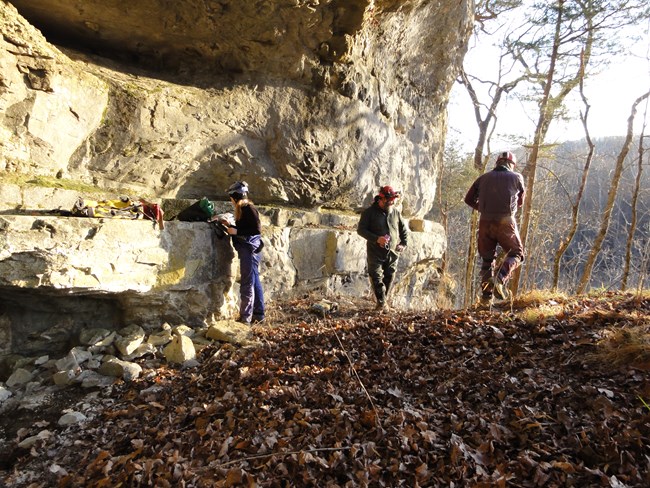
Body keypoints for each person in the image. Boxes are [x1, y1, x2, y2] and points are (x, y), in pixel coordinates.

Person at [464, 151, 526, 302]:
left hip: (485, 222)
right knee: (517, 254)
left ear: (497, 163)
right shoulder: (517, 177)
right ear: (511, 165)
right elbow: (521, 201)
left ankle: (486, 299)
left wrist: (483, 209)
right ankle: (500, 278)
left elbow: (468, 199)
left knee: (487, 260)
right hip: (506, 221)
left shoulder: (483, 178)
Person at [213, 181, 265, 324]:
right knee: (254, 281)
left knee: (247, 283)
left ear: (235, 197)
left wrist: (236, 231)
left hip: (249, 250)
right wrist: (230, 225)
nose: (230, 201)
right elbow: (247, 228)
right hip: (251, 249)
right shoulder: (244, 208)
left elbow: (256, 230)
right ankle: (259, 314)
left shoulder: (248, 208)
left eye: (231, 198)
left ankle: (245, 319)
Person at [357, 185, 409, 310]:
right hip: (375, 252)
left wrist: (403, 244)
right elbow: (361, 230)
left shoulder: (395, 212)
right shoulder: (369, 213)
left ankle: (382, 303)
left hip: (393, 252)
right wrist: (376, 239)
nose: (391, 203)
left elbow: (403, 230)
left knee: (390, 276)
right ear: (381, 199)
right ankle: (382, 303)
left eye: (393, 201)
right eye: (389, 201)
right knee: (376, 276)